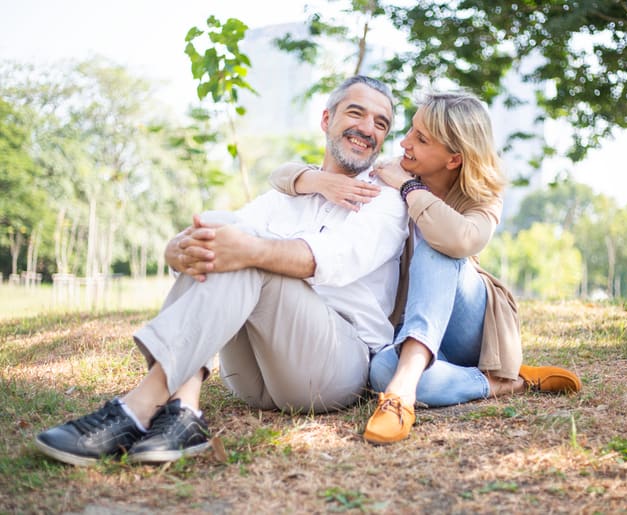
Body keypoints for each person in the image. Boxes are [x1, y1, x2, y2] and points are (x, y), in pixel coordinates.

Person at [34, 75, 410, 466]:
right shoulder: (287, 196)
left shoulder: (383, 198)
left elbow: (327, 260)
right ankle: (184, 408)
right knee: (221, 224)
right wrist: (173, 249)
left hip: (333, 367)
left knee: (251, 252)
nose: (368, 129)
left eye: (380, 123)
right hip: (252, 376)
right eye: (356, 113)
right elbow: (216, 237)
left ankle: (139, 406)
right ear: (326, 119)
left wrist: (250, 249)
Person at [269, 91, 582, 445]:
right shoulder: (388, 170)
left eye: (420, 139)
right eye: (410, 130)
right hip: (413, 330)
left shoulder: (481, 194)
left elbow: (461, 240)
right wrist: (318, 181)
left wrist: (409, 187)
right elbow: (280, 175)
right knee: (381, 370)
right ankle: (502, 382)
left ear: (453, 159)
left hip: (469, 328)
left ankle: (402, 393)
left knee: (437, 248)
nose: (404, 143)